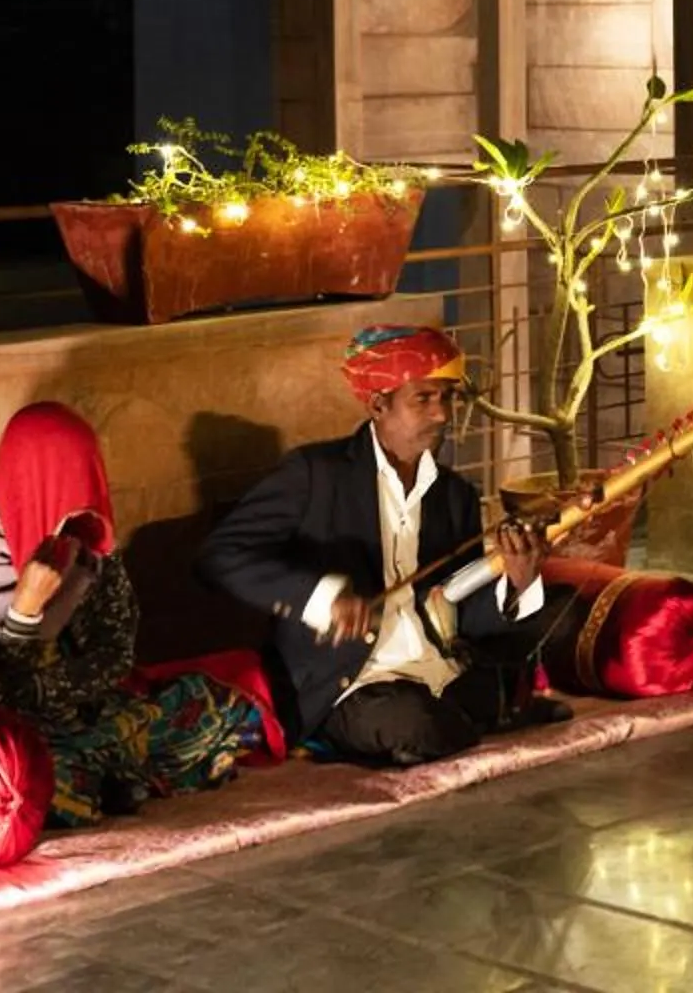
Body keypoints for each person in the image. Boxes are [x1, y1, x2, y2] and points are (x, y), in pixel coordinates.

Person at [197, 325, 564, 766]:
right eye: (423, 399)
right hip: (353, 683)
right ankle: (480, 716)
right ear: (377, 404)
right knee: (419, 723)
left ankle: (480, 711)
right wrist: (320, 599)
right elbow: (220, 556)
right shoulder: (314, 475)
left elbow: (462, 610)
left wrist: (518, 582)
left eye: (447, 398)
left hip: (439, 668)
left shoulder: (454, 495)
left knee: (552, 622)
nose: (441, 414)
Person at [0, 402, 261, 827]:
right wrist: (25, 612)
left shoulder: (85, 535)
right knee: (19, 777)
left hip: (82, 712)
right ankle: (110, 773)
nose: (77, 505)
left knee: (217, 704)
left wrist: (66, 695)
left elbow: (115, 653)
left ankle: (107, 771)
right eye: (63, 484)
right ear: (30, 478)